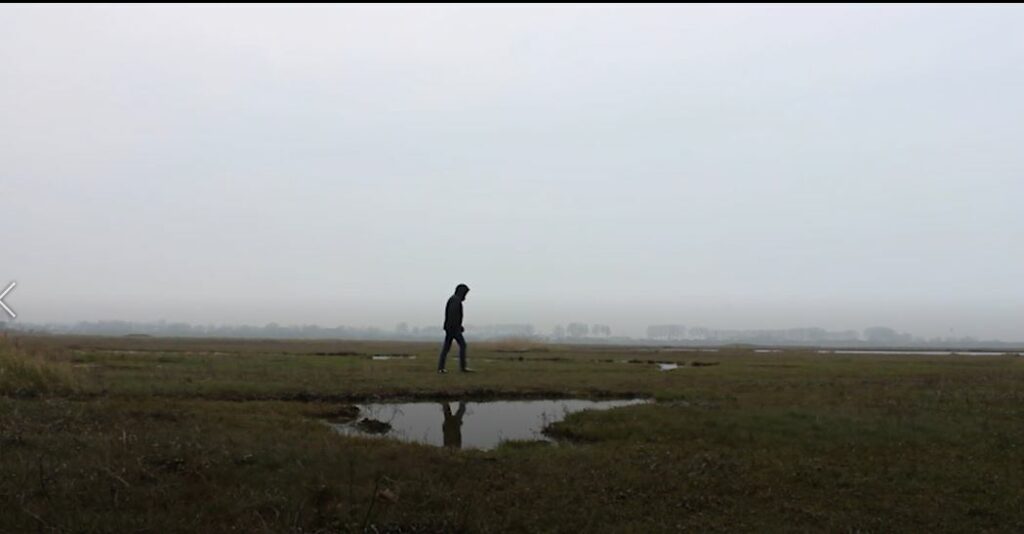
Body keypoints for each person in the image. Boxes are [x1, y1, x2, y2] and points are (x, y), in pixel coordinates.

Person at [437, 283, 472, 373]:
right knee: (462, 345)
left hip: (451, 327)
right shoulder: (455, 301)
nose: (465, 296)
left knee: (447, 347)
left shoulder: (454, 300)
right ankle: (462, 367)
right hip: (453, 328)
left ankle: (441, 368)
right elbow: (453, 316)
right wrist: (458, 327)